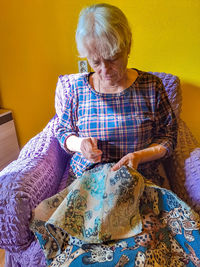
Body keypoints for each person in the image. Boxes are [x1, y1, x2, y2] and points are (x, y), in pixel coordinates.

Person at [30, 3, 200, 267]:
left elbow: (169, 138)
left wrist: (139, 156)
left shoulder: (152, 87)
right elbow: (62, 131)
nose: (105, 70)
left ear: (127, 47)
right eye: (96, 62)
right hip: (89, 188)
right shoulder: (76, 90)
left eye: (113, 58)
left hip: (140, 183)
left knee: (146, 251)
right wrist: (80, 144)